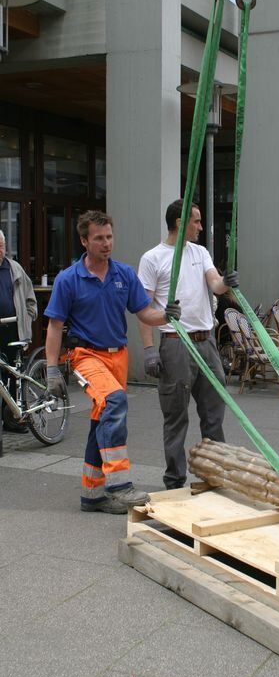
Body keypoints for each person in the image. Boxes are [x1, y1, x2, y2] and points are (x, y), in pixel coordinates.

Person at [44, 210, 171, 514]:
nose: (106, 243)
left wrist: (168, 314)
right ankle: (119, 484)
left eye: (109, 237)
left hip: (119, 357)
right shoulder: (69, 279)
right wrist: (51, 370)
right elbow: (53, 326)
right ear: (84, 241)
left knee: (101, 419)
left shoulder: (124, 275)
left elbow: (145, 314)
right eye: (99, 238)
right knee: (114, 401)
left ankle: (92, 495)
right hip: (86, 355)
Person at [138, 199, 238, 490]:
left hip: (206, 341)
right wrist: (148, 351)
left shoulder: (200, 252)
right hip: (175, 343)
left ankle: (215, 476)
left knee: (213, 415)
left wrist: (227, 281)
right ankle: (174, 482)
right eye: (196, 221)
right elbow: (142, 309)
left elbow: (215, 285)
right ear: (181, 223)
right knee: (176, 417)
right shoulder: (153, 258)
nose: (201, 227)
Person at [0, 231, 38, 433]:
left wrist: (28, 317)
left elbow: (30, 299)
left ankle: (14, 419)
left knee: (13, 375)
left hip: (13, 330)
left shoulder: (15, 269)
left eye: (1, 246)